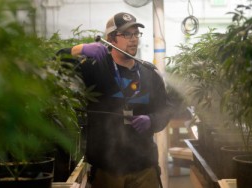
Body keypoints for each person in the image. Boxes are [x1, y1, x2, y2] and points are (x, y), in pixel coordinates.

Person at [56, 12, 171, 188]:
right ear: (111, 39)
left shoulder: (149, 73)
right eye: (126, 34)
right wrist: (78, 49)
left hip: (145, 168)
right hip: (107, 170)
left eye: (135, 34)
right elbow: (53, 67)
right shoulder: (94, 68)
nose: (133, 39)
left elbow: (165, 110)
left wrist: (152, 120)